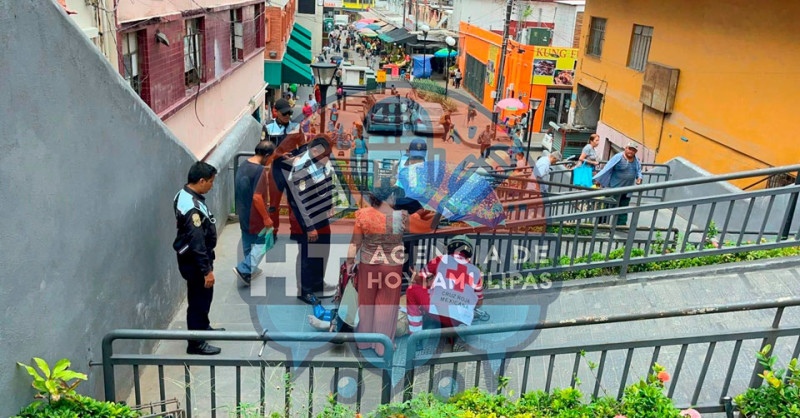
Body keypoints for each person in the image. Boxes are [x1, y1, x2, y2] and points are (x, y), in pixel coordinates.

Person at [274, 135, 337, 303]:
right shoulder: (301, 170)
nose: (328, 158)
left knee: (322, 250)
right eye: (325, 155)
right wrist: (310, 227)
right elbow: (301, 203)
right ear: (314, 151)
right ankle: (305, 290)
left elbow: (327, 181)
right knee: (307, 254)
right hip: (307, 219)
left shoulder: (320, 162)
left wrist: (330, 204)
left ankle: (317, 283)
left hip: (321, 216)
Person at [347, 184, 408, 356]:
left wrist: (350, 262)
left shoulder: (363, 215)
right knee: (387, 306)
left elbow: (355, 243)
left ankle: (364, 342)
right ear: (388, 198)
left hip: (368, 264)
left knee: (366, 303)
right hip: (392, 266)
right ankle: (382, 346)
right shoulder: (399, 217)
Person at [173, 162, 222, 355]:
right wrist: (206, 271)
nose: (211, 185)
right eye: (210, 182)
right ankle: (195, 343)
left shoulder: (183, 193)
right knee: (198, 300)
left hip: (193, 259)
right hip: (195, 262)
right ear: (201, 181)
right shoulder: (192, 208)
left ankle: (203, 327)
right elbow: (197, 243)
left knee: (204, 296)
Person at [406, 235, 483, 351]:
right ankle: (457, 332)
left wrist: (418, 279)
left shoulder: (439, 260)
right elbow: (479, 302)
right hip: (460, 316)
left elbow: (420, 280)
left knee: (412, 290)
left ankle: (416, 337)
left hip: (437, 310)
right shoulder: (476, 272)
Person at [233, 141, 276, 285]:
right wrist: (266, 218)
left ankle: (250, 270)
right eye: (271, 157)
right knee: (266, 240)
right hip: (255, 214)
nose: (270, 161)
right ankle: (245, 268)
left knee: (247, 239)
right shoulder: (259, 171)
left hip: (243, 211)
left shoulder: (244, 165)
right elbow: (257, 197)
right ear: (267, 155)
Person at [593, 142, 643, 225]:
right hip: (615, 187)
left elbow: (638, 170)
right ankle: (601, 223)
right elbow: (607, 168)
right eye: (630, 149)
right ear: (626, 148)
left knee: (624, 207)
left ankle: (621, 224)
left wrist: (639, 178)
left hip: (628, 189)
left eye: (633, 150)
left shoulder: (636, 160)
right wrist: (599, 180)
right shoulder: (618, 157)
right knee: (608, 205)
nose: (631, 151)